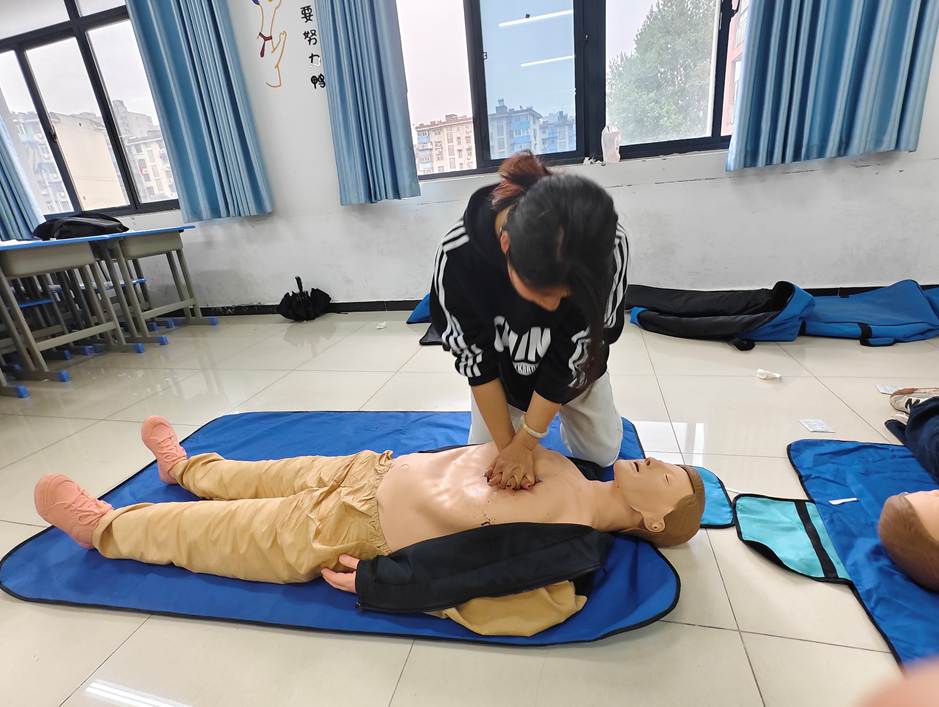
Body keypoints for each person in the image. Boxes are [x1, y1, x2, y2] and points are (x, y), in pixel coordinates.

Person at [34, 416, 705, 637]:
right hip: (369, 470)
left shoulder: (573, 548)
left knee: (226, 531)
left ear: (652, 519)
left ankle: (106, 528)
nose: (654, 461)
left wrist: (385, 580)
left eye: (667, 475)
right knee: (255, 474)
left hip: (355, 527)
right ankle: (185, 467)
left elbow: (505, 589)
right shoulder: (564, 460)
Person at [430, 151, 628, 491]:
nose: (553, 307)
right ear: (506, 244)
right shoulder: (458, 255)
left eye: (565, 295)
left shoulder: (607, 246)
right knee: (483, 461)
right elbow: (476, 361)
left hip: (575, 370)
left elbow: (579, 348)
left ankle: (569, 414)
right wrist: (509, 448)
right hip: (503, 372)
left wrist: (526, 442)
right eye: (543, 292)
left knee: (602, 455)